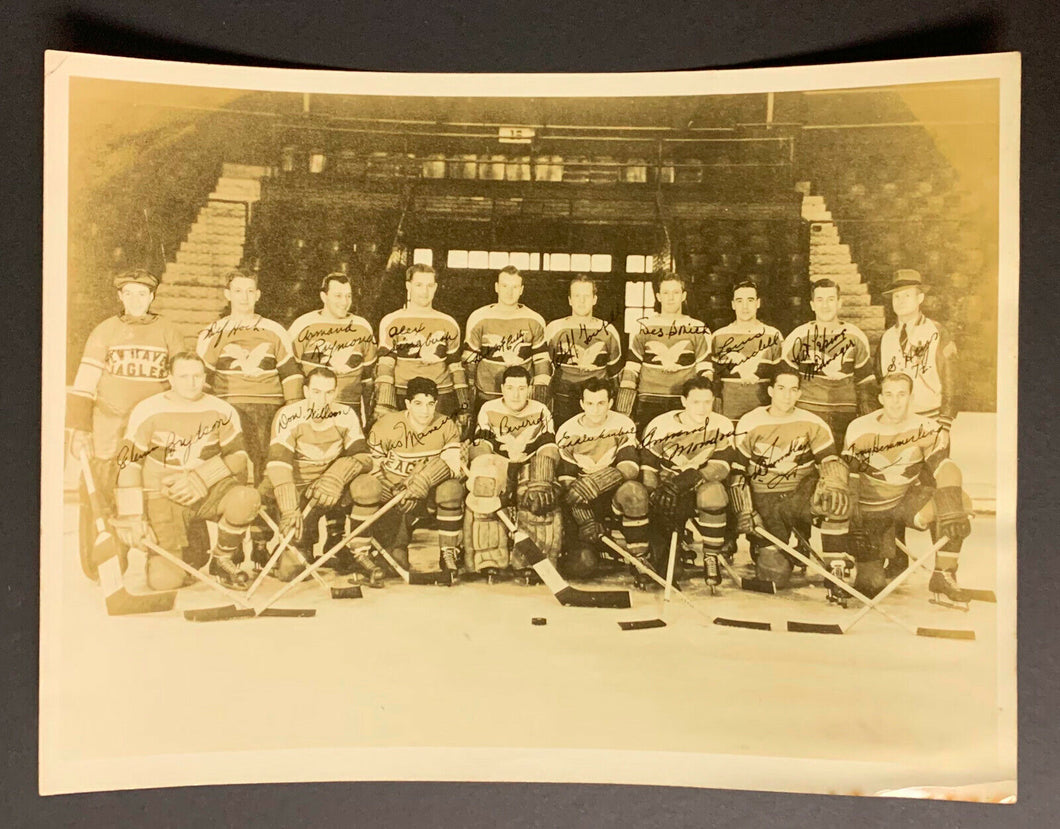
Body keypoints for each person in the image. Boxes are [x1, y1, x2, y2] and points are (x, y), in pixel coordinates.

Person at [65, 269, 184, 579]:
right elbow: (84, 384)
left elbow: (183, 379)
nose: (135, 300)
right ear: (120, 296)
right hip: (109, 430)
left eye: (142, 294)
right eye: (128, 293)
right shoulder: (104, 331)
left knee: (161, 493)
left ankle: (171, 556)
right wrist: (79, 430)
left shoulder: (169, 331)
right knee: (102, 494)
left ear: (152, 297)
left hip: (154, 435)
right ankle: (104, 561)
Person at [112, 352, 261, 591]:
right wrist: (132, 515)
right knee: (164, 582)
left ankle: (222, 560)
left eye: (196, 376)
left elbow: (239, 457)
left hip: (206, 489)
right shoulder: (147, 409)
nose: (191, 383)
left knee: (247, 498)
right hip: (162, 494)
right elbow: (128, 463)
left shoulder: (222, 409)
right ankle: (183, 550)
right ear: (170, 378)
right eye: (183, 376)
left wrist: (200, 477)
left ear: (204, 377)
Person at [836, 372, 972, 602]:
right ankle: (866, 569)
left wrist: (951, 494)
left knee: (957, 500)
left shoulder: (926, 426)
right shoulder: (858, 427)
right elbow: (850, 474)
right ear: (880, 398)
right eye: (889, 394)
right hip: (870, 510)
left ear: (910, 397)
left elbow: (944, 466)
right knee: (870, 587)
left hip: (903, 503)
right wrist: (853, 516)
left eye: (901, 394)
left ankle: (944, 573)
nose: (895, 401)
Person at [730, 368, 850, 590]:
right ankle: (777, 549)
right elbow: (737, 471)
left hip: (800, 496)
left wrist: (835, 481)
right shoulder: (750, 421)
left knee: (835, 498)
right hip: (765, 500)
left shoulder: (813, 422)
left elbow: (830, 461)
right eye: (781, 388)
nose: (787, 395)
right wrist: (745, 509)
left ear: (799, 394)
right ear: (770, 391)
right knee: (774, 577)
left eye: (793, 389)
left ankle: (836, 567)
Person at [262, 367, 375, 583]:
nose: (322, 399)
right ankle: (291, 547)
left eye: (328, 392)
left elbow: (364, 458)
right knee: (292, 573)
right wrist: (289, 509)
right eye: (316, 392)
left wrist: (336, 476)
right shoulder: (288, 415)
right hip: (298, 489)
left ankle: (353, 549)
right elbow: (278, 464)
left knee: (367, 486)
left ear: (334, 393)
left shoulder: (346, 414)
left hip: (331, 489)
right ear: (305, 391)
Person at [348, 377, 465, 582]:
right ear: (407, 404)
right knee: (396, 562)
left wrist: (423, 482)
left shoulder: (446, 424)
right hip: (392, 499)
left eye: (430, 404)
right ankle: (361, 555)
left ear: (436, 403)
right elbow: (373, 467)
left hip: (425, 497)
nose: (425, 410)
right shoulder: (385, 425)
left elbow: (454, 466)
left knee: (451, 489)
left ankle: (448, 552)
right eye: (418, 403)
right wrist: (393, 489)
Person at [196, 268, 304, 484]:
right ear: (228, 294)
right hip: (229, 406)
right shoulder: (213, 331)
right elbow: (201, 377)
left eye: (249, 291)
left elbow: (291, 374)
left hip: (269, 408)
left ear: (257, 295)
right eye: (238, 291)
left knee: (268, 466)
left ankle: (265, 510)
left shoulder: (274, 329)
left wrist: (292, 412)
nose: (244, 297)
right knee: (234, 464)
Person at [554, 378, 653, 587]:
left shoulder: (622, 424)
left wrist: (600, 481)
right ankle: (599, 549)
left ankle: (640, 557)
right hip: (582, 500)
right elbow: (567, 484)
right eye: (590, 404)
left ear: (610, 402)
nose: (596, 410)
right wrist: (585, 519)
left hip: (613, 495)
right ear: (581, 404)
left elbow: (630, 467)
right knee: (582, 566)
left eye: (601, 403)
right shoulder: (567, 430)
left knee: (634, 491)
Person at [466, 366, 560, 582]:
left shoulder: (541, 409)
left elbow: (548, 445)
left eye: (521, 388)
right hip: (499, 462)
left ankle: (531, 562)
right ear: (502, 389)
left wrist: (543, 473)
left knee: (537, 495)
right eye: (510, 388)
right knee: (486, 490)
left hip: (529, 463)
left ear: (529, 389)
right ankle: (489, 559)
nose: (515, 394)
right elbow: (482, 443)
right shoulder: (489, 408)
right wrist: (485, 468)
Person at [640, 377, 736, 583]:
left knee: (715, 492)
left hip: (699, 488)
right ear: (684, 401)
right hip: (667, 493)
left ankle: (711, 556)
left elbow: (722, 466)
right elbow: (648, 467)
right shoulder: (660, 425)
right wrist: (654, 494)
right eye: (695, 402)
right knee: (669, 573)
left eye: (707, 402)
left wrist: (686, 481)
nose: (702, 409)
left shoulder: (722, 425)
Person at [374, 263, 471, 434]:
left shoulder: (448, 322)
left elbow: (456, 367)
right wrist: (384, 403)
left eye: (429, 285)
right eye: (419, 285)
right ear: (408, 286)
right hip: (403, 394)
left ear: (435, 288)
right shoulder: (391, 321)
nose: (424, 291)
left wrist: (464, 405)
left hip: (441, 395)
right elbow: (386, 364)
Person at [780, 278, 875, 445]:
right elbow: (785, 381)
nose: (825, 305)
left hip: (845, 416)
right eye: (820, 300)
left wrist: (865, 419)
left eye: (831, 299)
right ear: (812, 305)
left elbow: (865, 383)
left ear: (839, 303)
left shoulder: (855, 335)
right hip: (808, 413)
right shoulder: (798, 336)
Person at [615, 271, 713, 426]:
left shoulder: (698, 328)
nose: (671, 297)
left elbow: (705, 371)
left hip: (684, 401)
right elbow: (632, 369)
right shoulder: (643, 326)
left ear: (683, 296)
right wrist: (623, 410)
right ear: (658, 296)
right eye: (666, 292)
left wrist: (701, 402)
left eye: (676, 292)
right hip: (649, 399)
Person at [874, 269, 959, 437]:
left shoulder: (937, 331)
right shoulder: (887, 337)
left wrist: (945, 421)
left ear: (920, 298)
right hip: (895, 423)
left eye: (907, 295)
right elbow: (880, 379)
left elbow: (952, 379)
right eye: (896, 296)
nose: (900, 301)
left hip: (930, 418)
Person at [287, 272, 378, 425]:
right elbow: (291, 374)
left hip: (349, 409)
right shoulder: (303, 325)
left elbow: (368, 380)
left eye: (348, 296)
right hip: (312, 410)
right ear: (324, 296)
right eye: (338, 296)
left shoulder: (362, 326)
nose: (345, 302)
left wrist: (369, 416)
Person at [462, 265, 551, 414]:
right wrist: (468, 401)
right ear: (496, 287)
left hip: (522, 399)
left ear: (521, 289)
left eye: (515, 287)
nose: (509, 292)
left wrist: (538, 401)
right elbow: (469, 361)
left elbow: (541, 362)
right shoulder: (479, 317)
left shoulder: (534, 319)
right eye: (505, 286)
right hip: (487, 396)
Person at [543, 275, 623, 426]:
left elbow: (615, 374)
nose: (581, 301)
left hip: (596, 403)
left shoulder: (608, 330)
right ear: (570, 300)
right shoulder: (555, 328)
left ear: (594, 299)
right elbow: (546, 368)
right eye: (577, 296)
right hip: (563, 400)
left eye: (586, 296)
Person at [711, 279, 783, 421]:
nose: (745, 306)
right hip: (728, 414)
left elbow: (780, 378)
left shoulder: (773, 335)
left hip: (763, 414)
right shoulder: (718, 336)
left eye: (750, 300)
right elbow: (714, 379)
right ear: (733, 305)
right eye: (739, 300)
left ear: (758, 303)